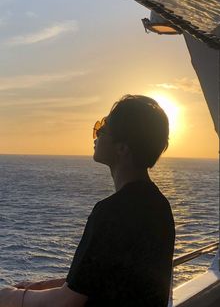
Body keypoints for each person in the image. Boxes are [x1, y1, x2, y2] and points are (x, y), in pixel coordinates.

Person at [0, 95, 175, 307]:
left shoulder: (112, 213)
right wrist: (39, 286)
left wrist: (14, 297)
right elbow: (109, 280)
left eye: (102, 130)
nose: (95, 136)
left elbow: (67, 302)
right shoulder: (159, 205)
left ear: (122, 148)